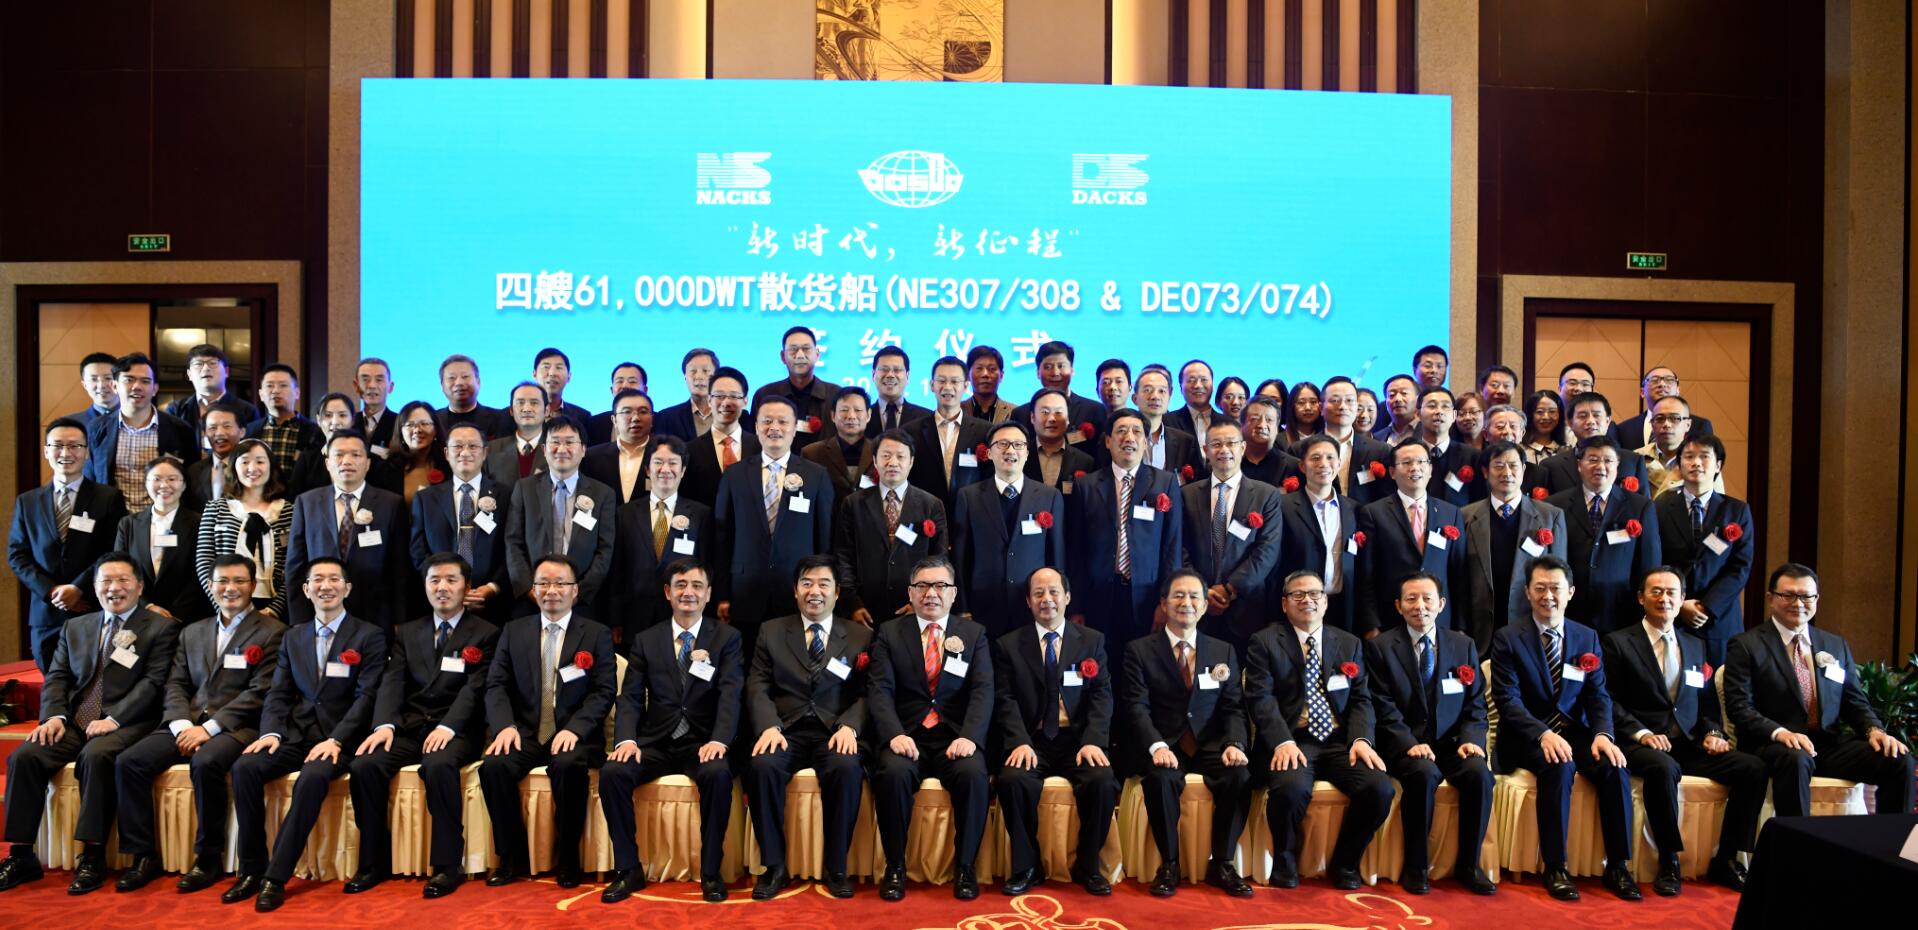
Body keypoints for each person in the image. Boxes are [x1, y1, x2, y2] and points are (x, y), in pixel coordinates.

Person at [0, 553, 178, 894]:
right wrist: (54, 716)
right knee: (25, 756)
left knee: (96, 755)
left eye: (123, 580)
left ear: (140, 586)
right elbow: (58, 677)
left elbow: (153, 683)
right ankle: (21, 856)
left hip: (129, 722)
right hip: (75, 721)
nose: (114, 588)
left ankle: (93, 855)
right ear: (94, 588)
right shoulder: (76, 626)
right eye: (105, 581)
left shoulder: (160, 627)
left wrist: (114, 719)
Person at [111, 554, 285, 894]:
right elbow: (175, 683)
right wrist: (180, 724)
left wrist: (210, 728)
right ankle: (142, 855)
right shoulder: (192, 631)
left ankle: (207, 858)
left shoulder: (273, 632)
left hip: (237, 726)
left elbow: (260, 691)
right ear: (210, 585)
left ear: (253, 586)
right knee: (130, 761)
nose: (230, 588)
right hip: (185, 721)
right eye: (222, 581)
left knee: (206, 762)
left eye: (239, 581)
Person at [225, 557, 386, 911]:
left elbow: (367, 697)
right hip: (296, 735)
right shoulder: (293, 635)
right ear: (306, 589)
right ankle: (251, 869)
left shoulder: (369, 635)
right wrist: (271, 733)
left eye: (334, 579)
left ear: (347, 588)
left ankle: (275, 877)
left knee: (312, 779)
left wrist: (337, 739)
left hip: (342, 739)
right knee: (245, 768)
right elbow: (278, 693)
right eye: (318, 580)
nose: (326, 586)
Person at [1601, 568, 1765, 895]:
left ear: (1682, 600)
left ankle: (1728, 858)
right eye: (1656, 591)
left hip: (1687, 743)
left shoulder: (1695, 644)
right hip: (1640, 744)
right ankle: (1669, 860)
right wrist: (1641, 732)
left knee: (1753, 768)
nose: (1664, 598)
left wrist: (1713, 732)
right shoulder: (1618, 642)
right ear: (1641, 598)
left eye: (1671, 592)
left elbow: (1706, 702)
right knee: (1663, 768)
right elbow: (1608, 700)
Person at [346, 553, 500, 898]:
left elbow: (476, 690)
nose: (442, 587)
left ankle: (447, 865)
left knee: (439, 765)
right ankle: (373, 861)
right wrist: (384, 726)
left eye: (451, 580)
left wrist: (448, 727)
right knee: (364, 765)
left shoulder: (486, 633)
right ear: (425, 586)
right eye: (434, 580)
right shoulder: (408, 631)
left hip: (456, 730)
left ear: (467, 587)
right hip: (412, 726)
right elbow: (393, 682)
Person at [1490, 556, 1638, 902]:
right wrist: (1543, 734)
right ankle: (1556, 866)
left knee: (1615, 766)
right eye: (1540, 588)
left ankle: (1618, 866)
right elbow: (1508, 701)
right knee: (1559, 765)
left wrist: (1603, 735)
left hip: (1575, 732)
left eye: (1555, 588)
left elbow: (1598, 695)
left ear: (1570, 592)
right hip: (1528, 736)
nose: (1548, 596)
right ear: (1527, 592)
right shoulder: (1508, 638)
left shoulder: (1587, 637)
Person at [598, 558, 743, 904]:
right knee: (613, 772)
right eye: (680, 585)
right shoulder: (646, 640)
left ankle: (711, 872)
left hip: (703, 741)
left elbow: (731, 693)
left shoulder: (727, 638)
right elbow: (631, 697)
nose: (688, 592)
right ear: (667, 592)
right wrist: (627, 740)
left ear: (708, 594)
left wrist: (719, 740)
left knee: (718, 774)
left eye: (696, 586)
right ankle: (628, 869)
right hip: (657, 742)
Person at [1722, 563, 1914, 818]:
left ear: (1816, 600)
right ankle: (1797, 841)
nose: (1798, 603)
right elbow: (1740, 707)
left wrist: (1874, 730)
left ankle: (1893, 839)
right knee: (1796, 758)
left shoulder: (1834, 645)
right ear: (1770, 599)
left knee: (1898, 760)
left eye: (1806, 596)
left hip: (1827, 745)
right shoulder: (1746, 645)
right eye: (1788, 595)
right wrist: (1780, 733)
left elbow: (1854, 701)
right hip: (1773, 745)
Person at [1245, 569, 1394, 890]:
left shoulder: (1349, 643)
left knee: (1380, 788)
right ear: (1284, 604)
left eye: (1314, 594)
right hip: (1294, 739)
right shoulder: (1265, 641)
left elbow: (1361, 699)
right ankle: (1285, 860)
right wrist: (1282, 741)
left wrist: (1361, 739)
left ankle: (1346, 863)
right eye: (1297, 594)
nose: (1307, 600)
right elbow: (1261, 698)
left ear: (1325, 602)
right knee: (1290, 789)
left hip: (1341, 741)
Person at [477, 557, 617, 888]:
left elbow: (603, 691)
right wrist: (504, 726)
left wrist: (575, 729)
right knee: (494, 766)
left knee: (568, 765)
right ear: (533, 589)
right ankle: (510, 856)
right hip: (525, 732)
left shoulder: (595, 634)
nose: (551, 590)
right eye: (543, 583)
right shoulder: (513, 631)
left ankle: (567, 857)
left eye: (560, 583)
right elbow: (496, 685)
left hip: (573, 734)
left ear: (575, 591)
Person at [743, 556, 873, 900]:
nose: (815, 591)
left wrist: (850, 726)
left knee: (847, 768)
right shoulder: (772, 631)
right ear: (795, 590)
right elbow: (757, 684)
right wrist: (768, 726)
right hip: (786, 730)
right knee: (761, 766)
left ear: (837, 592)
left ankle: (837, 867)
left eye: (823, 584)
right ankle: (774, 867)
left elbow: (870, 691)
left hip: (835, 731)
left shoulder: (860, 636)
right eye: (807, 583)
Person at [867, 557, 994, 902]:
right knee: (892, 774)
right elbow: (879, 690)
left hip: (955, 736)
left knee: (973, 775)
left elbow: (983, 690)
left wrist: (970, 737)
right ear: (910, 592)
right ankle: (895, 867)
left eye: (940, 586)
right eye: (922, 586)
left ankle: (965, 868)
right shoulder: (890, 633)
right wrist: (894, 734)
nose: (931, 593)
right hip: (906, 734)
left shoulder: (973, 634)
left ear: (953, 593)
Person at [1120, 570, 1253, 898]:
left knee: (1239, 775)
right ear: (1164, 604)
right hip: (1165, 744)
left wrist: (1234, 743)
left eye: (1195, 596)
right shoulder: (1139, 650)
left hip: (1210, 745)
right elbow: (1136, 707)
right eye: (1178, 595)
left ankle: (1222, 863)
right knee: (1160, 779)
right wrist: (1155, 745)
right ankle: (1169, 864)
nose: (1186, 602)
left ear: (1205, 606)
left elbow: (1234, 707)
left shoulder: (1223, 651)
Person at [1364, 572, 1496, 896]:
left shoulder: (1463, 646)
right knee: (1423, 774)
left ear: (1441, 604)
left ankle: (1470, 865)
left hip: (1452, 744)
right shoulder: (1381, 648)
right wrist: (1409, 743)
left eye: (1427, 599)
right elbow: (1382, 706)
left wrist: (1471, 740)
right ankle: (1417, 866)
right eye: (1411, 599)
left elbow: (1476, 705)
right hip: (1404, 745)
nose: (1419, 606)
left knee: (1480, 774)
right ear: (1398, 606)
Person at [991, 567, 1118, 896]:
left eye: (1053, 592)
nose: (1046, 599)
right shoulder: (1008, 645)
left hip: (1078, 741)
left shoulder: (1091, 640)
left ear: (1067, 597)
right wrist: (1018, 741)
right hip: (1032, 740)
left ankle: (1088, 866)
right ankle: (1027, 866)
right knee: (1012, 779)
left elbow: (1102, 696)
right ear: (1028, 601)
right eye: (1038, 593)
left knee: (1102, 781)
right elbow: (1004, 699)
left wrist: (1093, 741)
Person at [714, 395, 836, 657]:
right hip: (745, 591)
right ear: (756, 426)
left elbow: (823, 540)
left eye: (782, 421)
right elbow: (722, 538)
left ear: (794, 427)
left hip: (797, 591)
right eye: (767, 421)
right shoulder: (734, 474)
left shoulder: (816, 475)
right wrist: (722, 593)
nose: (774, 428)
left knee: (793, 663)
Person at [10, 418, 128, 669]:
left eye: (74, 446)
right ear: (46, 451)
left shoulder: (108, 498)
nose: (66, 453)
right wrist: (52, 591)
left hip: (91, 607)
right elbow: (18, 555)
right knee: (51, 684)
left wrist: (78, 588)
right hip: (46, 614)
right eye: (58, 445)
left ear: (86, 452)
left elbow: (114, 551)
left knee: (94, 681)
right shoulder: (27, 502)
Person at [1066, 409, 1183, 656]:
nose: (1129, 437)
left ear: (1145, 441)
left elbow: (1172, 547)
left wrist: (1166, 602)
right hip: (1098, 596)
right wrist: (1076, 606)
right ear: (1108, 441)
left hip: (1147, 595)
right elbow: (1076, 551)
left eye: (1136, 432)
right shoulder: (1086, 486)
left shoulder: (1165, 483)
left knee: (1143, 663)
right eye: (1121, 431)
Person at [284, 429, 411, 628]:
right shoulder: (306, 502)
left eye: (356, 455)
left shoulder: (391, 504)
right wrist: (299, 621)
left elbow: (400, 569)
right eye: (339, 455)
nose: (347, 461)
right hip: (320, 613)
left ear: (368, 463)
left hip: (375, 615)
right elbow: (295, 566)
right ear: (328, 463)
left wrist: (399, 622)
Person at [952, 421, 1066, 637]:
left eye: (1018, 444)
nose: (1010, 450)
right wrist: (962, 607)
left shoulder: (1049, 496)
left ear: (1027, 453)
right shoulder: (969, 496)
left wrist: (1057, 606)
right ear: (989, 453)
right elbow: (960, 557)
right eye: (1002, 444)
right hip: (983, 605)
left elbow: (1056, 556)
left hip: (1033, 606)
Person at [1180, 420, 1284, 648]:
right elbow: (1180, 547)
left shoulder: (1266, 495)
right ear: (1206, 450)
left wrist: (1229, 589)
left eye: (1231, 443)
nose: (1224, 450)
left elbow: (1267, 550)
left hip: (1247, 606)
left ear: (1243, 448)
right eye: (1216, 444)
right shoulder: (1187, 494)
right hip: (1197, 605)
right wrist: (1202, 591)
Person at [1653, 433, 1753, 666]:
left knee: (1719, 683)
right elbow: (1654, 561)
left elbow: (1740, 566)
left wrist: (1708, 606)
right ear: (1679, 465)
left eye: (1704, 456)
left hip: (1719, 617)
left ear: (1718, 465)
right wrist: (1680, 604)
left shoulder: (1737, 511)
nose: (1696, 462)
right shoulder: (1660, 508)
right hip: (1672, 614)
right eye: (1689, 457)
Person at [1546, 436, 1662, 636]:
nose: (1600, 466)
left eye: (1608, 460)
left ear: (1617, 465)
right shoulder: (1555, 505)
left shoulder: (1640, 507)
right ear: (1579, 465)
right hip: (1570, 612)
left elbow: (1649, 563)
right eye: (1592, 459)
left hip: (1622, 612)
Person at [833, 429, 949, 627]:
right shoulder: (853, 503)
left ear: (911, 461)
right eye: (886, 456)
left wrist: (921, 601)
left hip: (913, 607)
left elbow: (939, 560)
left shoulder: (931, 504)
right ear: (875, 461)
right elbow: (844, 556)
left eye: (900, 456)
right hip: (865, 608)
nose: (893, 462)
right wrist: (852, 603)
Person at [1459, 441, 1567, 652]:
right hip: (1480, 629)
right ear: (1485, 472)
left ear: (1523, 469)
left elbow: (1559, 577)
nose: (1506, 473)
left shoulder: (1550, 516)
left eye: (1513, 465)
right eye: (1498, 466)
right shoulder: (1465, 516)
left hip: (1533, 625)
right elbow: (1459, 577)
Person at [1355, 440, 1466, 637]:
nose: (1415, 468)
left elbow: (1459, 574)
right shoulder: (1373, 513)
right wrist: (1371, 625)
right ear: (1392, 472)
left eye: (1421, 462)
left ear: (1430, 469)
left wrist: (1461, 626)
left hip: (1440, 619)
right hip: (1391, 618)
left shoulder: (1451, 513)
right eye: (1406, 463)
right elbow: (1366, 575)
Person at [504, 417, 617, 608]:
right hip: (532, 600)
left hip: (581, 602)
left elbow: (605, 550)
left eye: (570, 442)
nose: (562, 449)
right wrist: (528, 588)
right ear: (543, 449)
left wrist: (579, 593)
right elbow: (513, 541)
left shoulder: (603, 494)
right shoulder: (525, 488)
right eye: (555, 442)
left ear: (583, 450)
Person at [410, 423, 514, 626]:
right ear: (446, 453)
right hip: (440, 603)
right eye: (458, 446)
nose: (465, 452)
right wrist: (444, 586)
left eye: (473, 446)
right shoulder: (426, 498)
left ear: (485, 453)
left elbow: (512, 549)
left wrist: (493, 587)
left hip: (493, 605)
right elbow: (418, 551)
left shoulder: (506, 495)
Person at [611, 436, 714, 639]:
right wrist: (615, 618)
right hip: (635, 616)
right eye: (658, 462)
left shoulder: (700, 514)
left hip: (683, 614)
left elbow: (707, 567)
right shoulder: (625, 513)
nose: (665, 469)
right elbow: (617, 570)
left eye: (673, 463)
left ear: (683, 470)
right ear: (647, 469)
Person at [195, 438, 293, 621]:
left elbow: (294, 565)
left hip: (275, 609)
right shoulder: (216, 509)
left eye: (260, 461)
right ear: (234, 467)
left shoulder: (288, 511)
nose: (252, 468)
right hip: (226, 604)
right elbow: (204, 561)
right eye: (245, 461)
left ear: (271, 466)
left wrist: (275, 609)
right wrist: (224, 606)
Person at [86, 352, 200, 511]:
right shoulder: (97, 428)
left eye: (145, 381)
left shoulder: (180, 429)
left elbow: (191, 480)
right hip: (112, 520)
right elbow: (90, 481)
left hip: (162, 518)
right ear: (115, 386)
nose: (137, 386)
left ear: (155, 389)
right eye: (129, 380)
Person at [1276, 434, 1359, 633]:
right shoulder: (1284, 507)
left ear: (1339, 463)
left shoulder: (1354, 509)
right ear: (1302, 466)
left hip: (1343, 605)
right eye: (1315, 458)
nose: (1323, 464)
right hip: (1300, 606)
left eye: (1330, 458)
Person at [113, 455, 211, 621]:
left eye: (172, 479)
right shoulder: (129, 524)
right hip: (138, 614)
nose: (164, 485)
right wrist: (147, 606)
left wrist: (175, 615)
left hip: (186, 618)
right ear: (146, 483)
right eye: (156, 479)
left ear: (184, 484)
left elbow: (201, 573)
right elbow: (121, 570)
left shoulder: (200, 522)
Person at [906, 356, 992, 515]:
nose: (947, 387)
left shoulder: (985, 431)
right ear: (932, 385)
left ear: (966, 386)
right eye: (941, 381)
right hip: (925, 515)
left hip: (971, 515)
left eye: (954, 381)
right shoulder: (911, 431)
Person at [1530, 393, 1652, 499]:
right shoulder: (1551, 466)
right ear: (1570, 422)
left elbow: (1643, 506)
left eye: (1596, 415)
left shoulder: (1633, 461)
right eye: (1583, 416)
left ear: (1608, 421)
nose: (1590, 421)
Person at [287, 392, 402, 497]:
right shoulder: (308, 459)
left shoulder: (370, 459)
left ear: (353, 420)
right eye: (328, 415)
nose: (335, 422)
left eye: (342, 415)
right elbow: (294, 498)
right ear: (318, 420)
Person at [1008, 341, 1110, 447]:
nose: (1055, 373)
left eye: (1061, 366)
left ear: (1072, 370)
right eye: (1048, 367)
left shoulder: (1094, 410)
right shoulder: (1021, 414)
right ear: (1038, 372)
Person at [681, 366, 756, 507]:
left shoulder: (760, 447)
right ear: (709, 400)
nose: (726, 403)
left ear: (745, 401)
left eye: (734, 396)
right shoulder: (690, 451)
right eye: (719, 396)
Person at [752, 326, 836, 444]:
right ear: (783, 357)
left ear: (817, 355)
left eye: (806, 349)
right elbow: (753, 440)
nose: (800, 355)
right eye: (793, 349)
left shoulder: (835, 395)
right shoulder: (764, 395)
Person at [1319, 378, 1395, 503]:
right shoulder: (1302, 449)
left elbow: (1388, 499)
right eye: (1335, 400)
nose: (1343, 406)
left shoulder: (1381, 450)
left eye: (1349, 400)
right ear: (1321, 407)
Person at [167, 344, 259, 445]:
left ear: (226, 371)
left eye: (212, 363)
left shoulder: (247, 410)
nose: (206, 368)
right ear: (189, 374)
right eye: (198, 364)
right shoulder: (176, 410)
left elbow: (250, 448)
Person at [1124, 366, 1203, 481]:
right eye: (1147, 390)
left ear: (1169, 397)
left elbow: (1197, 484)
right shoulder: (1120, 439)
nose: (1155, 396)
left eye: (1162, 391)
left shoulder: (1186, 442)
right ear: (1134, 398)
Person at [245, 363, 323, 478]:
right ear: (261, 394)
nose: (276, 391)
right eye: (270, 385)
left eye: (283, 385)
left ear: (297, 393)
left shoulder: (315, 432)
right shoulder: (249, 431)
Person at [580, 388, 655, 505]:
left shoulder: (666, 456)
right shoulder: (591, 457)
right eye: (627, 412)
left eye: (643, 412)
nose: (636, 418)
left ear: (652, 419)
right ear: (614, 420)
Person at [804, 385, 875, 501]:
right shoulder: (812, 453)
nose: (851, 416)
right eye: (844, 410)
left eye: (858, 410)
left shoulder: (880, 452)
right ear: (833, 415)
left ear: (868, 415)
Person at [1615, 367, 1714, 449]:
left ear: (1678, 390)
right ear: (1642, 392)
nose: (1662, 384)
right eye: (1654, 380)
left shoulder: (1700, 425)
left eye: (1669, 380)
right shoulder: (1623, 429)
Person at [1636, 394, 1714, 498]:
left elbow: (1714, 502)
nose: (1666, 424)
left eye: (1674, 418)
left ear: (1688, 425)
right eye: (1660, 419)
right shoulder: (1635, 457)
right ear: (1652, 424)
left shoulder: (1704, 461)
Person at [1415, 386, 1476, 508]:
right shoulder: (1406, 454)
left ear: (1454, 415)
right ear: (1418, 414)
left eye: (1445, 406)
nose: (1439, 411)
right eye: (1432, 406)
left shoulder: (1472, 456)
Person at [1025, 388, 1095, 491]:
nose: (1052, 419)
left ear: (1067, 418)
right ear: (1032, 417)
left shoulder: (1085, 462)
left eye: (1058, 412)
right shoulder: (1018, 456)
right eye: (1045, 412)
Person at [484, 381, 550, 487]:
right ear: (511, 410)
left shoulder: (558, 448)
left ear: (547, 410)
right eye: (520, 403)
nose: (527, 409)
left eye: (534, 403)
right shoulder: (490, 450)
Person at [436, 353, 510, 440]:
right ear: (442, 385)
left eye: (465, 376)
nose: (459, 383)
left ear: (478, 382)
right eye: (452, 378)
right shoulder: (433, 420)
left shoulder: (500, 419)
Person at [391, 401, 451, 506]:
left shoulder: (449, 467)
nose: (417, 430)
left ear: (436, 429)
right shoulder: (388, 470)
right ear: (400, 431)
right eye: (410, 425)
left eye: (424, 423)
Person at [1239, 396, 1302, 488]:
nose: (1262, 425)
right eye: (1255, 419)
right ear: (1241, 425)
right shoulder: (1228, 461)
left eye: (1269, 420)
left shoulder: (1295, 466)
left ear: (1277, 427)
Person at [188, 401, 245, 504]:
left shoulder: (252, 469)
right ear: (205, 433)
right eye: (212, 428)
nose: (219, 433)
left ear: (242, 432)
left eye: (227, 426)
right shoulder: (193, 472)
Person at [656, 349, 718, 442]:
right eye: (693, 371)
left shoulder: (734, 416)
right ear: (685, 377)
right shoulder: (666, 418)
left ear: (716, 377)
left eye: (705, 371)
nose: (699, 377)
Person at [867, 345, 929, 436]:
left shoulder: (926, 418)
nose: (890, 375)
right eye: (884, 369)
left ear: (907, 376)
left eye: (897, 370)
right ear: (873, 375)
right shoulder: (861, 418)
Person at [585, 361, 648, 446]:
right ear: (612, 390)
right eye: (619, 381)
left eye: (632, 381)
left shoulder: (659, 421)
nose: (625, 385)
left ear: (645, 390)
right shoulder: (594, 424)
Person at [532, 347, 593, 431]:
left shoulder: (583, 417)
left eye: (559, 368)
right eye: (546, 367)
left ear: (569, 376)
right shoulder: (516, 414)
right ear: (534, 374)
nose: (552, 373)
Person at [1164, 359, 1220, 439]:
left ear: (1213, 385)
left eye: (1204, 380)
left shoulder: (1227, 422)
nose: (1198, 385)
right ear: (1181, 387)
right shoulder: (1166, 422)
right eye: (1191, 380)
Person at [353, 357, 399, 455]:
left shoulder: (400, 424)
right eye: (365, 380)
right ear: (356, 386)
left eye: (379, 380)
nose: (372, 385)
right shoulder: (348, 423)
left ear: (390, 387)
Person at [961, 344, 1015, 424]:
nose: (985, 374)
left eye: (992, 369)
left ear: (1001, 376)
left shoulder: (1014, 412)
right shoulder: (957, 411)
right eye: (979, 368)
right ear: (968, 375)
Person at [65, 352, 120, 427]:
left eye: (108, 378)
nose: (101, 385)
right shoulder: (70, 424)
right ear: (85, 385)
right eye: (94, 379)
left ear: (120, 381)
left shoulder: (135, 420)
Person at [1372, 374, 1420, 444]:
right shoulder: (1377, 438)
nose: (1398, 399)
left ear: (1418, 399)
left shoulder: (1429, 430)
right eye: (1391, 395)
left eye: (1404, 393)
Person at [1521, 390, 1566, 464]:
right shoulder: (1519, 450)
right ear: (1530, 414)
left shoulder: (1567, 449)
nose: (1546, 417)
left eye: (1552, 411)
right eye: (1539, 412)